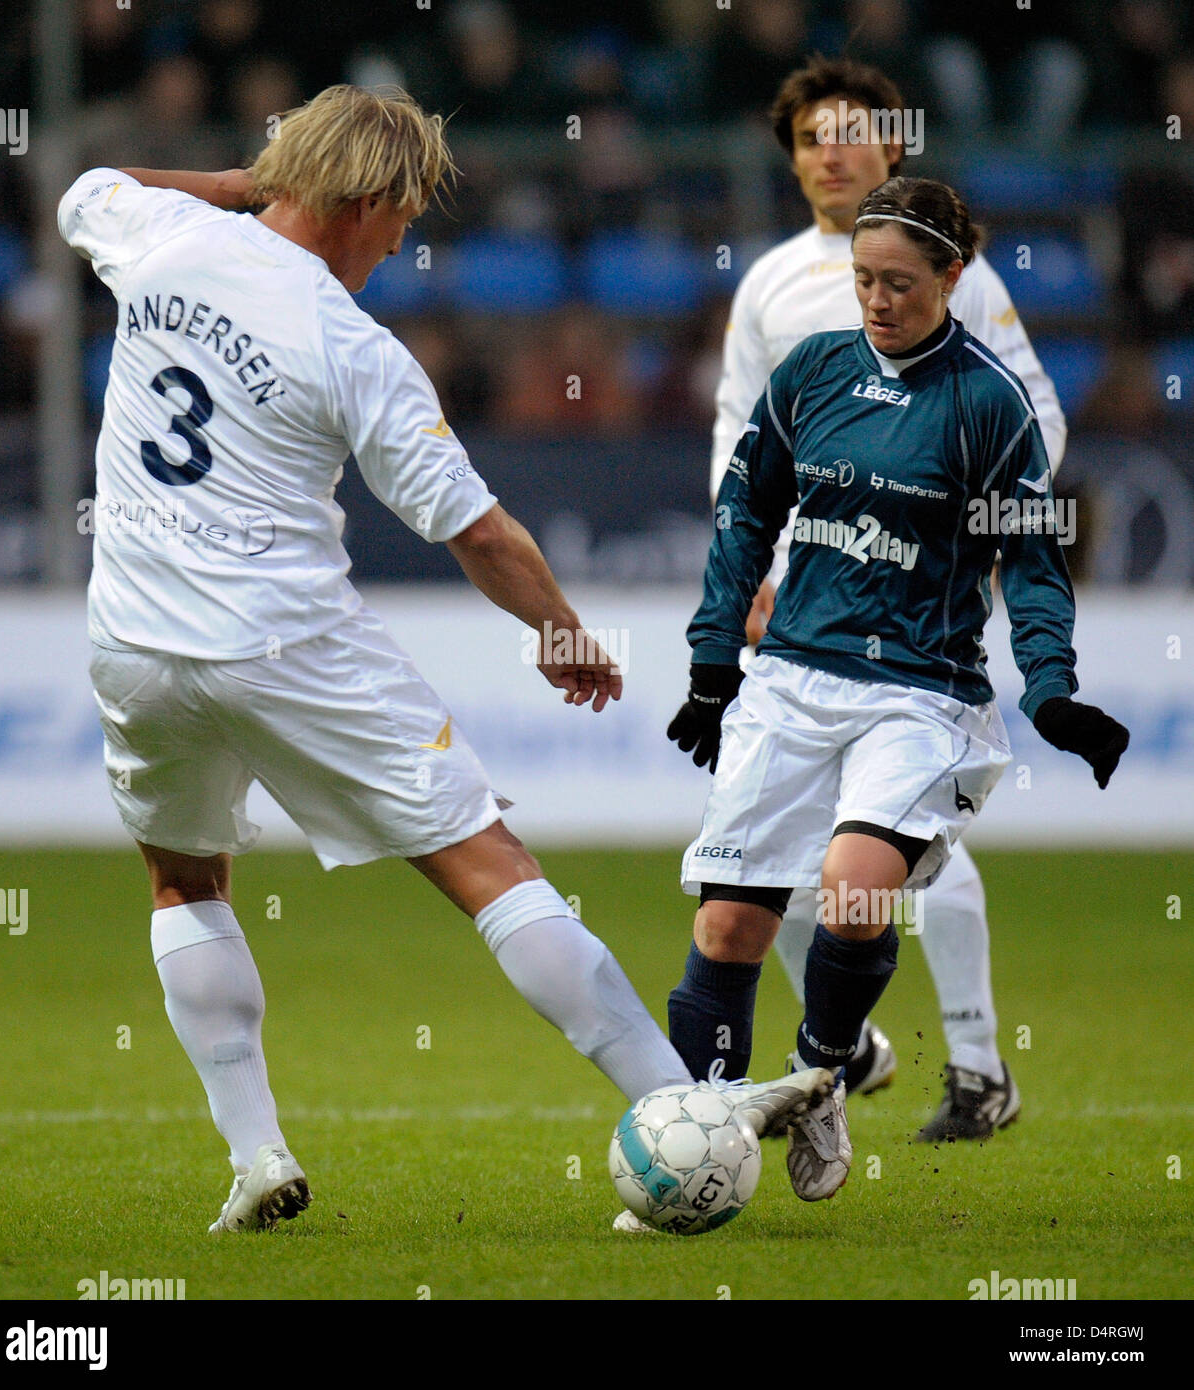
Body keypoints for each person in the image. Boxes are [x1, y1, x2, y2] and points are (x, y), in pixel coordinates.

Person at [57, 85, 830, 1233]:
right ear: (361, 200)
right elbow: (477, 529)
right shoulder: (348, 344)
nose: (400, 241)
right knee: (492, 867)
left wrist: (231, 189)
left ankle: (256, 1154)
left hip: (132, 644)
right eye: (401, 217)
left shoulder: (163, 233)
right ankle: (685, 1105)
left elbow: (85, 191)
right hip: (284, 645)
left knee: (182, 880)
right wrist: (561, 633)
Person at [665, 174, 1128, 1203]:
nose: (875, 301)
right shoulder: (813, 371)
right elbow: (743, 519)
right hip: (789, 680)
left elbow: (1034, 569)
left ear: (951, 278)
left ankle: (821, 1069)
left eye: (898, 283)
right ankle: (696, 1145)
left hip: (918, 694)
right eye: (862, 280)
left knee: (855, 882)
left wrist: (1049, 691)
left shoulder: (986, 406)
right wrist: (710, 663)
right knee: (726, 929)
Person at [708, 55, 1069, 1141]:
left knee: (906, 841)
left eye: (852, 131)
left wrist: (962, 520)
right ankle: (847, 1048)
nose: (832, 150)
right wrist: (749, 571)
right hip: (804, 603)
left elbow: (1033, 422)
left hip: (920, 607)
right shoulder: (768, 282)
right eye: (811, 136)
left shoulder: (959, 275)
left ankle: (968, 1061)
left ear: (891, 146)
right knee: (759, 851)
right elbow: (737, 436)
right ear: (790, 159)